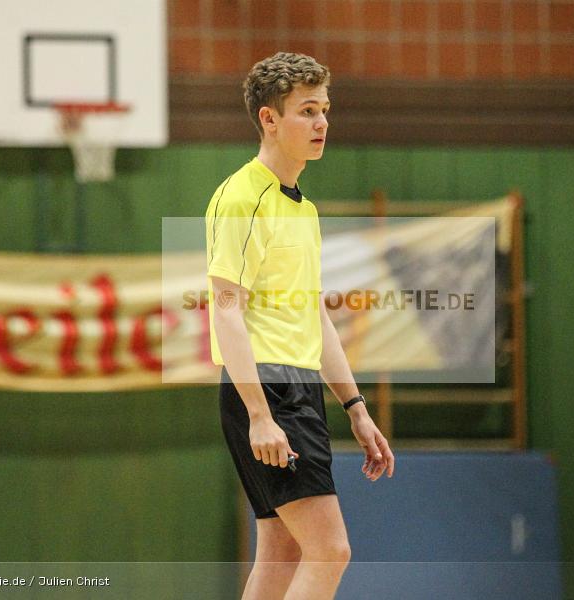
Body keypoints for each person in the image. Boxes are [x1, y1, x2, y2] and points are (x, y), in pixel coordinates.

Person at [205, 52, 395, 600]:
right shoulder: (243, 196)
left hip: (298, 388)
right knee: (330, 551)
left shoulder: (302, 209)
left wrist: (355, 408)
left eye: (325, 110)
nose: (322, 123)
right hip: (267, 391)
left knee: (283, 552)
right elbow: (225, 307)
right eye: (307, 111)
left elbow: (313, 316)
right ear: (269, 119)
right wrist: (260, 414)